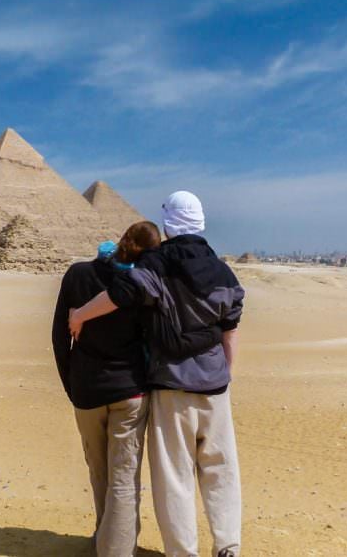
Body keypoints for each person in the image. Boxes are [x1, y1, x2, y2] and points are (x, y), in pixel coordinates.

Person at [69, 191, 245, 557]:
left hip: (171, 386)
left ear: (168, 224)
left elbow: (121, 295)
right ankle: (228, 545)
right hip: (215, 386)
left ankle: (183, 552)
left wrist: (81, 314)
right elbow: (230, 328)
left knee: (174, 479)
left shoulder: (157, 265)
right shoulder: (223, 271)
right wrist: (225, 374)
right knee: (220, 468)